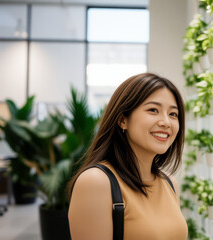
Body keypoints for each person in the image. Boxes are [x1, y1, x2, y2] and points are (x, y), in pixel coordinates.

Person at [68, 73, 188, 240]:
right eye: (153, 110)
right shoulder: (96, 182)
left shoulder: (169, 183)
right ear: (122, 120)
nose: (166, 122)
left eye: (173, 114)